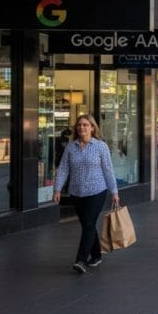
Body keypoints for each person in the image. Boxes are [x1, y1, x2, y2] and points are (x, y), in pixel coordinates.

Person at [53, 114, 119, 274]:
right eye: (79, 125)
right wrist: (57, 189)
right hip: (76, 193)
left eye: (85, 125)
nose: (81, 127)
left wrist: (114, 192)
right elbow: (63, 168)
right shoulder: (71, 147)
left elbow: (108, 170)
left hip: (97, 191)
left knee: (88, 223)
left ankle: (81, 260)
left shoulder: (100, 146)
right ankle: (96, 255)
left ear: (92, 128)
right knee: (88, 225)